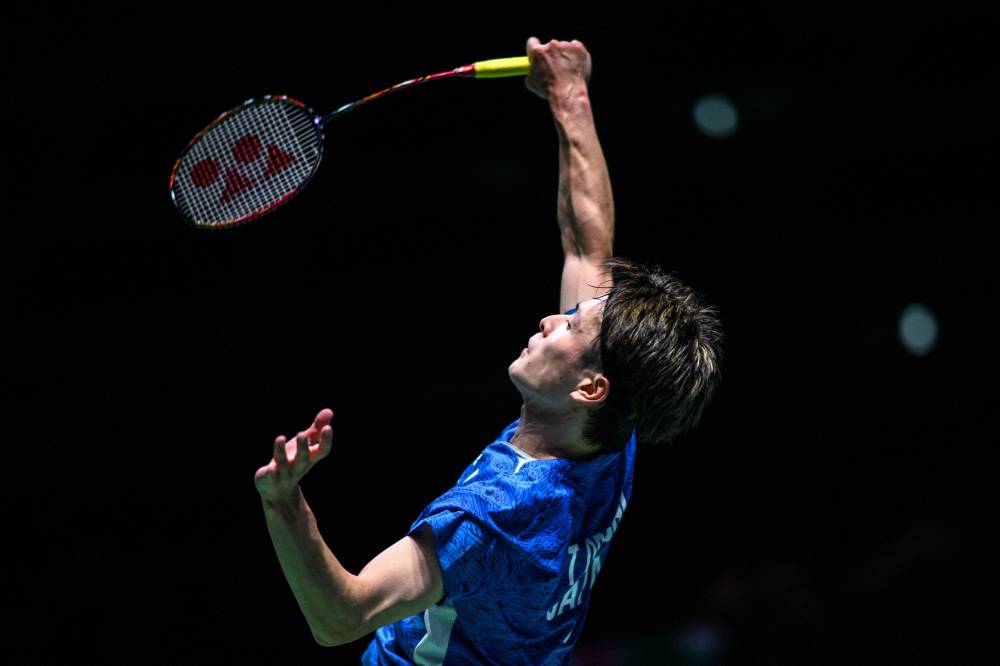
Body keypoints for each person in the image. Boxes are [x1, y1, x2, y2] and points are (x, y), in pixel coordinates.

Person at [255, 36, 724, 664]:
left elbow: (343, 615)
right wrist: (571, 98)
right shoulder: (616, 434)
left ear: (590, 387)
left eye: (570, 328)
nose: (549, 321)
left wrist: (284, 503)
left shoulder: (495, 518)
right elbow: (588, 248)